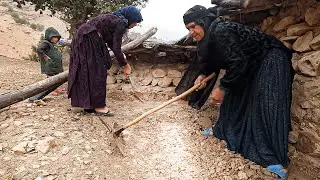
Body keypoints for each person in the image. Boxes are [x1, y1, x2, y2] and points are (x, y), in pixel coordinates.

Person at [178, 5, 294, 179]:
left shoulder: (221, 30)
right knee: (233, 99)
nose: (192, 32)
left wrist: (223, 87)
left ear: (204, 22)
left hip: (270, 59)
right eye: (188, 28)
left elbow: (237, 62)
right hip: (249, 64)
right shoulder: (206, 41)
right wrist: (201, 76)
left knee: (265, 105)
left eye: (194, 26)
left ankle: (273, 159)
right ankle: (222, 131)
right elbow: (211, 64)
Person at [68, 6, 142, 116]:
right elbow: (116, 48)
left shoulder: (112, 19)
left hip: (80, 37)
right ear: (130, 18)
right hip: (90, 39)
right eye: (135, 22)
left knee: (86, 70)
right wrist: (125, 65)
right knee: (99, 71)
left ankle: (87, 105)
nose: (134, 25)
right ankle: (99, 107)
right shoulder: (120, 23)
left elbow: (112, 44)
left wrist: (123, 61)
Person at [29, 27, 64, 104]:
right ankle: (52, 90)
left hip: (55, 65)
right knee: (51, 78)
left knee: (57, 77)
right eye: (54, 37)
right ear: (50, 36)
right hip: (50, 65)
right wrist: (45, 56)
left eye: (57, 38)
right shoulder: (46, 43)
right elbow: (39, 49)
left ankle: (57, 89)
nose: (56, 39)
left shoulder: (53, 44)